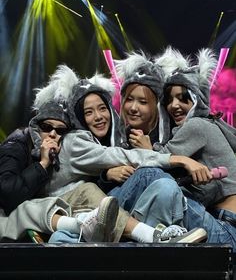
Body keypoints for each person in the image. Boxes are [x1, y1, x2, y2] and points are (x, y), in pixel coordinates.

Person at [34, 64, 207, 243]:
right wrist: (107, 175)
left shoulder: (170, 132)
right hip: (79, 211)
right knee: (151, 175)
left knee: (163, 185)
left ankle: (163, 236)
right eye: (88, 112)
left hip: (132, 212)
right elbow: (113, 158)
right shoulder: (79, 140)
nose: (99, 116)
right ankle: (158, 237)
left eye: (102, 108)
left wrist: (150, 151)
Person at [135, 47, 236, 251]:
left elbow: (160, 159)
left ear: (197, 99)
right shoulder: (209, 124)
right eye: (169, 99)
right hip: (226, 225)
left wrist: (146, 148)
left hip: (226, 229)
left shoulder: (197, 125)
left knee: (156, 183)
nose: (174, 105)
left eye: (183, 98)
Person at [0, 100, 119, 242]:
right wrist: (42, 164)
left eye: (60, 130)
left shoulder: (61, 153)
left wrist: (105, 174)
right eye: (46, 127)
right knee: (30, 207)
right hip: (6, 217)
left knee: (85, 190)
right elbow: (7, 194)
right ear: (35, 127)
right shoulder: (17, 144)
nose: (52, 134)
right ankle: (81, 225)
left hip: (35, 223)